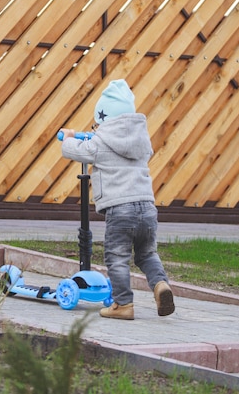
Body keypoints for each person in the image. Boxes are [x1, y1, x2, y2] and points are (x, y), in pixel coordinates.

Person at [58, 79, 175, 320]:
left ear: (104, 119)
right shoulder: (142, 141)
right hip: (148, 209)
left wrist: (69, 136)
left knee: (117, 256)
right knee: (147, 254)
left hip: (121, 211)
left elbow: (74, 150)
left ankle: (123, 304)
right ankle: (160, 286)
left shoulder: (100, 142)